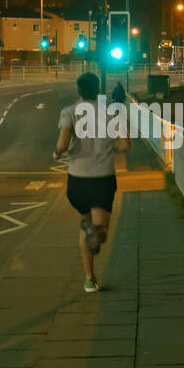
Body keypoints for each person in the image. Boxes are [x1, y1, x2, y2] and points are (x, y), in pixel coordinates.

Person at [53, 72, 129, 293]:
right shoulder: (112, 112)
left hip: (76, 182)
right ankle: (92, 230)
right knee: (101, 231)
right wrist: (111, 148)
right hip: (102, 179)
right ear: (98, 89)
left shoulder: (69, 112)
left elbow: (64, 143)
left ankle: (89, 278)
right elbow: (125, 145)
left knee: (87, 225)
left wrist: (57, 152)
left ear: (78, 90)